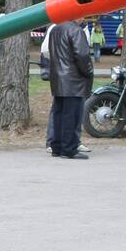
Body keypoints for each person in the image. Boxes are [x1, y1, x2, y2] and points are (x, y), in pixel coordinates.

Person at [47, 17, 93, 159]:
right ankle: (69, 149)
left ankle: (57, 146)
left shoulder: (55, 29)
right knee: (72, 116)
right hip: (74, 80)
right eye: (83, 16)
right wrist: (88, 71)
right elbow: (82, 55)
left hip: (58, 78)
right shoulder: (76, 31)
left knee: (59, 114)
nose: (83, 19)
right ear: (77, 16)